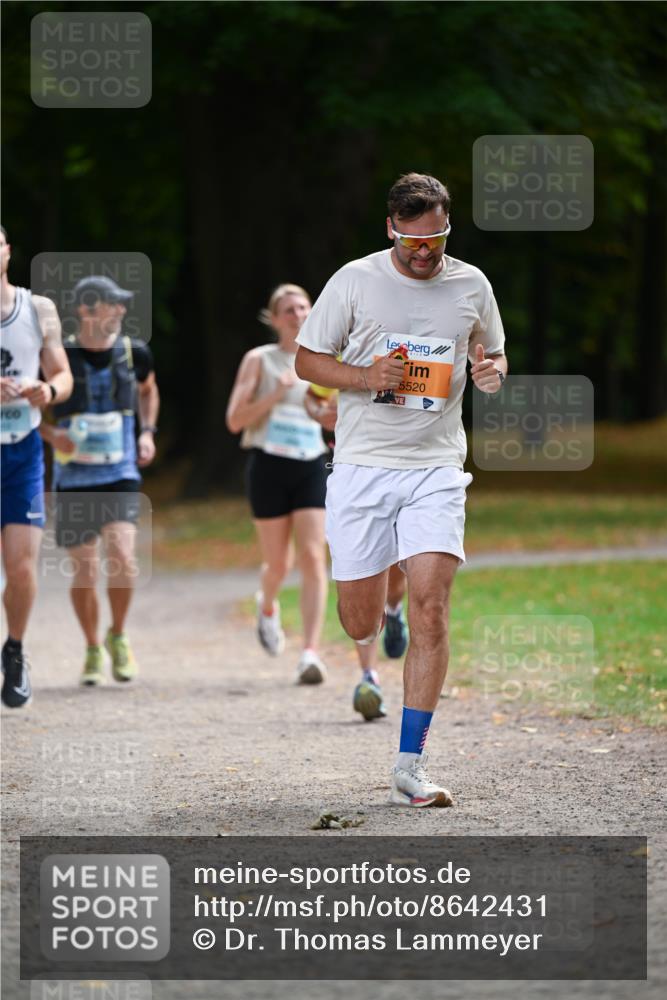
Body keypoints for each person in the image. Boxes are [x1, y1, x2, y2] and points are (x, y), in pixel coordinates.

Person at [295, 173, 508, 806]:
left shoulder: (472, 284)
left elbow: (492, 357)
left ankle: (409, 764)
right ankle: (380, 607)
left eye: (436, 238)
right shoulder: (354, 280)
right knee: (357, 621)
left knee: (433, 607)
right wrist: (364, 375)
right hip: (362, 466)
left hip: (437, 466)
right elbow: (307, 361)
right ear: (391, 227)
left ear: (448, 227)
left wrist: (490, 373)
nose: (425, 252)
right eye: (413, 240)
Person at [39, 275, 159, 686]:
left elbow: (149, 390)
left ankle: (118, 635)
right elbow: (29, 404)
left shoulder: (134, 351)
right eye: (113, 304)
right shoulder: (59, 357)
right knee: (85, 570)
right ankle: (92, 646)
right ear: (86, 310)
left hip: (121, 473)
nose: (122, 311)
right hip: (73, 478)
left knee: (123, 559)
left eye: (123, 304)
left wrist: (147, 432)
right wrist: (52, 434)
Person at [226, 284, 330, 685]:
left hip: (310, 463)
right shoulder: (260, 360)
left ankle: (310, 653)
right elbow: (235, 420)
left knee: (313, 557)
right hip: (268, 465)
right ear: (274, 319)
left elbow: (329, 409)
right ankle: (267, 604)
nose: (298, 314)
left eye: (303, 307)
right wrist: (276, 392)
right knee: (279, 564)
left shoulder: (323, 359)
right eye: (288, 309)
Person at [1, 225, 73, 708]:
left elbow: (62, 373)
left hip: (22, 450)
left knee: (22, 566)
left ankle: (16, 650)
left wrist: (48, 391)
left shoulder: (38, 308)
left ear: (7, 251)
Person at [305, 385, 409, 721]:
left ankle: (394, 611)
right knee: (362, 580)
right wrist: (321, 413)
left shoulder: (396, 350)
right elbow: (313, 398)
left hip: (399, 473)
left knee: (393, 578)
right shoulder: (336, 353)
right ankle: (369, 678)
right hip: (350, 480)